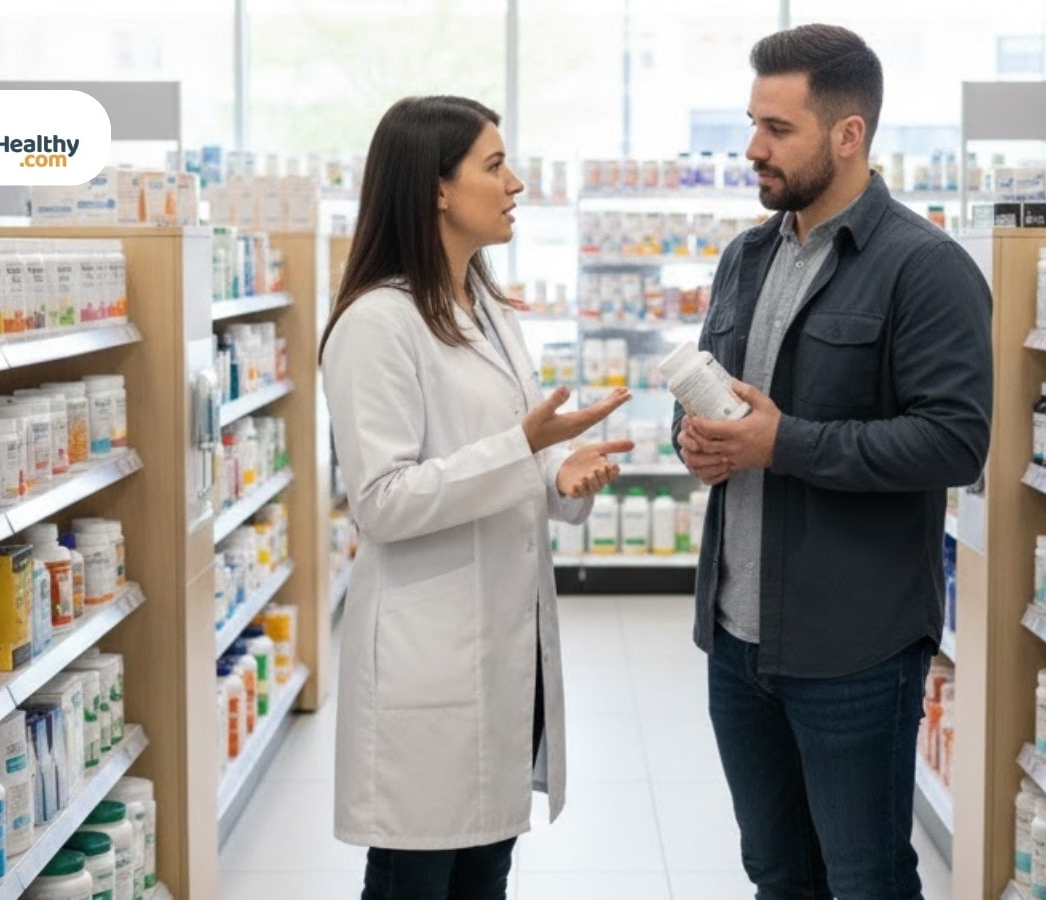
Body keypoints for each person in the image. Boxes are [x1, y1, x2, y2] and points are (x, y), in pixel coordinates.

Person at [672, 24, 993, 900]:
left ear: (848, 135)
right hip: (736, 637)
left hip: (853, 648)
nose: (753, 148)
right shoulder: (744, 257)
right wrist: (696, 439)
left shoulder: (925, 269)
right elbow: (711, 396)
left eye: (778, 129)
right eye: (752, 123)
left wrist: (785, 442)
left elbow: (957, 442)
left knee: (866, 878)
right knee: (776, 871)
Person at [319, 95, 632, 900]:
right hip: (428, 661)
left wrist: (562, 470)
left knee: (484, 875)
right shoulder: (376, 324)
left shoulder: (486, 308)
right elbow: (382, 501)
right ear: (436, 190)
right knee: (416, 879)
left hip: (503, 649)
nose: (516, 183)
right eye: (495, 166)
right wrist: (525, 450)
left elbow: (513, 447)